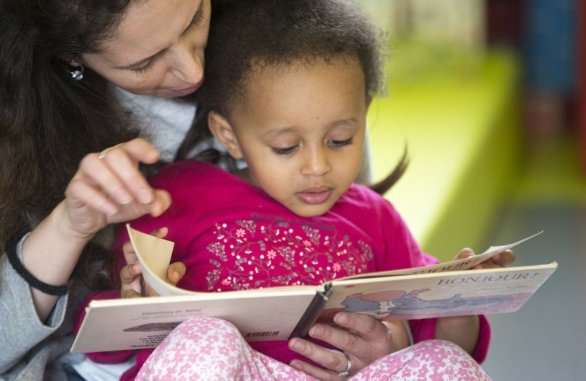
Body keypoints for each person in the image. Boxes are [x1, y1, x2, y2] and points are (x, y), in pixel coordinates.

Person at [0, 0, 378, 380]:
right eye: (145, 61)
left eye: (195, 17)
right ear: (69, 55)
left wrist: (376, 346)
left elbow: (352, 242)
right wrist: (69, 227)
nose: (193, 72)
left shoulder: (292, 29)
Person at [74, 0, 515, 379]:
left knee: (441, 360)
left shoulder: (376, 218)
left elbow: (443, 345)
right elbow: (101, 349)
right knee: (205, 336)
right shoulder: (175, 197)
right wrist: (132, 304)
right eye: (286, 147)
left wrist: (459, 303)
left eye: (341, 140)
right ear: (229, 136)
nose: (318, 167)